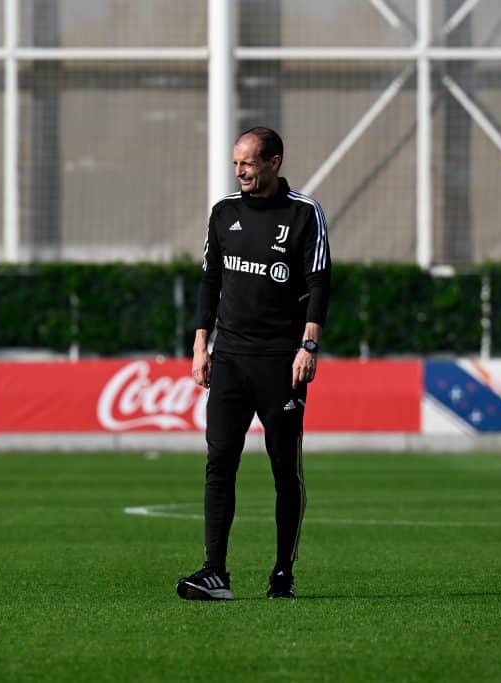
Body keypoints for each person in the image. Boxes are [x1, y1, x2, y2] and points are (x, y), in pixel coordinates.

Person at [176, 127, 331, 600]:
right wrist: (202, 344)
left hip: (280, 362)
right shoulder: (224, 213)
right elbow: (209, 281)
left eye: (247, 163)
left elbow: (321, 283)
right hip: (230, 359)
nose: (239, 171)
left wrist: (309, 347)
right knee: (219, 461)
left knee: (285, 469)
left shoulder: (304, 214)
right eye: (236, 163)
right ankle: (214, 572)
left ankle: (283, 572)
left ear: (273, 163)